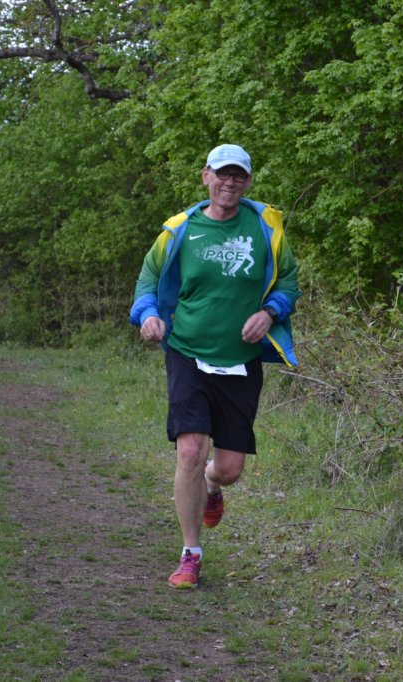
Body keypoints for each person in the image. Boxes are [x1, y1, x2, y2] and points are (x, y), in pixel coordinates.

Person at [130, 144, 301, 589]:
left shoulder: (265, 228)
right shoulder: (180, 229)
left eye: (238, 176)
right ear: (206, 175)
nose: (230, 182)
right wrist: (147, 315)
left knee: (228, 469)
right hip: (186, 350)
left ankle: (212, 485)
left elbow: (288, 283)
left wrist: (271, 312)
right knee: (190, 449)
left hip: (241, 361)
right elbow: (148, 281)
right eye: (222, 173)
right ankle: (190, 554)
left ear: (248, 182)